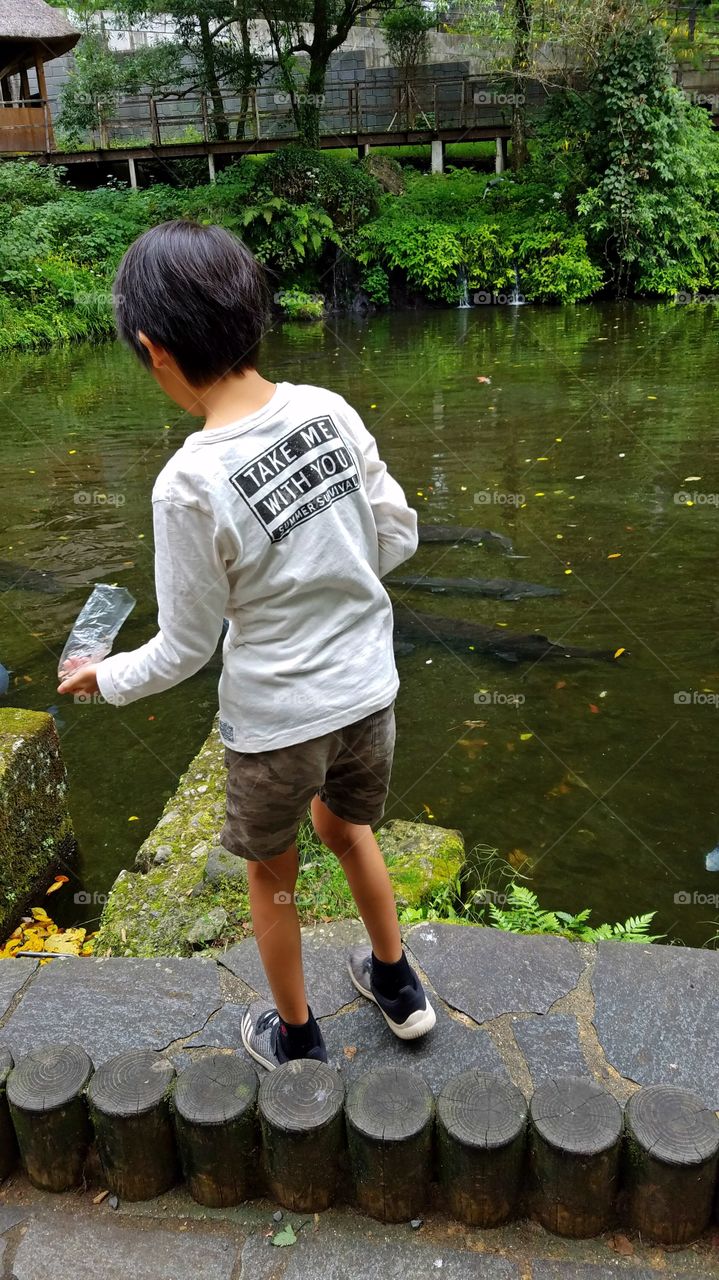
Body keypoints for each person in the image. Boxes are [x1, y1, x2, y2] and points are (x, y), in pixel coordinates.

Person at [58, 219, 435, 1069]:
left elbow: (184, 650)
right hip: (368, 693)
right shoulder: (328, 409)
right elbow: (397, 536)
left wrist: (101, 679)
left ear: (154, 351)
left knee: (273, 874)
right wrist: (327, 558)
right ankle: (399, 987)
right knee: (349, 831)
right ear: (255, 314)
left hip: (274, 727)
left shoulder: (188, 483)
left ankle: (298, 1040)